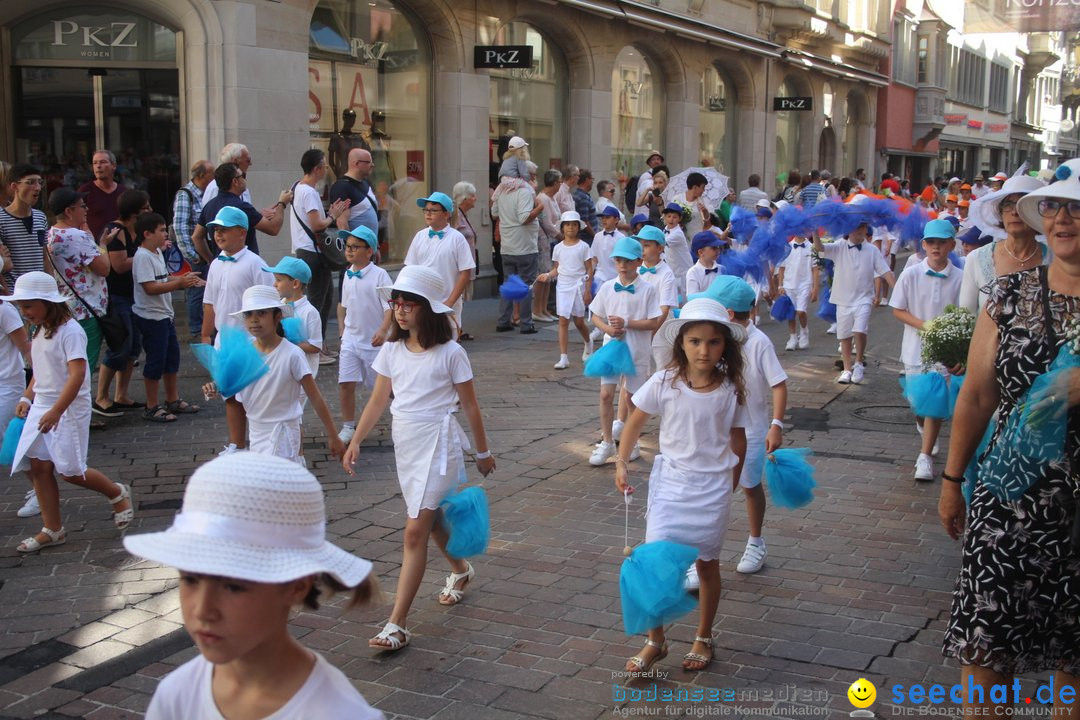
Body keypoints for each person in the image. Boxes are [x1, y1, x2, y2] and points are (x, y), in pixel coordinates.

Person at [938, 158, 1080, 718]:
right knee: (986, 646)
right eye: (1054, 206)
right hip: (1010, 497)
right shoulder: (1009, 294)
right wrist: (952, 481)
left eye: (1076, 208)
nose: (1063, 218)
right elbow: (976, 396)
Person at [126, 452, 385, 720]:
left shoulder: (338, 713)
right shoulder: (177, 695)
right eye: (190, 579)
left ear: (296, 586)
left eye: (234, 586)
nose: (203, 610)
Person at [342, 265, 496, 651]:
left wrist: (482, 452)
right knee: (433, 515)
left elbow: (471, 406)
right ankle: (460, 570)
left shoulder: (451, 352)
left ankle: (397, 623)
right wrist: (356, 439)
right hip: (405, 442)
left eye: (409, 303)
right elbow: (379, 399)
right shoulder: (393, 350)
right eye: (396, 302)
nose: (400, 310)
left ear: (428, 308)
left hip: (438, 444)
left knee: (414, 529)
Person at [615, 297, 748, 672]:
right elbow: (634, 423)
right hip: (671, 485)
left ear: (725, 346)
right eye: (695, 341)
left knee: (707, 565)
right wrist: (622, 462)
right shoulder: (665, 382)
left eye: (713, 342)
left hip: (712, 490)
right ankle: (655, 640)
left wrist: (730, 485)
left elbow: (738, 441)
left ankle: (703, 637)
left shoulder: (730, 389)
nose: (703, 350)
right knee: (654, 562)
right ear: (681, 344)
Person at [8, 272, 133, 553]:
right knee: (39, 466)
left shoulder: (71, 331)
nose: (24, 312)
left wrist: (56, 410)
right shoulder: (39, 329)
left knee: (70, 471)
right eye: (21, 307)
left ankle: (116, 493)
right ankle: (52, 529)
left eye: (28, 306)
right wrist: (27, 398)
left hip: (67, 407)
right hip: (43, 404)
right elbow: (39, 371)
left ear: (48, 303)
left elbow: (77, 376)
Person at [698, 277, 787, 578]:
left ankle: (755, 541)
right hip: (717, 428)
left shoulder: (759, 342)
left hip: (751, 430)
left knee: (749, 485)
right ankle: (702, 556)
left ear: (730, 313)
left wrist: (776, 425)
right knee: (711, 491)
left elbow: (779, 384)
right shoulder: (718, 340)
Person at [203, 286, 345, 464]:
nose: (254, 320)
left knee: (280, 484)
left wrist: (333, 435)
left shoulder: (292, 354)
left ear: (277, 317)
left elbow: (315, 396)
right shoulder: (243, 354)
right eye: (249, 315)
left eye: (261, 313)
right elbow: (228, 384)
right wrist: (214, 387)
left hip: (284, 433)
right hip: (257, 433)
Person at [889, 219, 962, 481]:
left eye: (942, 242)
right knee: (919, 404)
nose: (936, 247)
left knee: (934, 402)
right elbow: (897, 308)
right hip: (914, 350)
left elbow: (965, 314)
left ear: (952, 245)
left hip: (943, 354)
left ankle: (925, 457)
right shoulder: (910, 274)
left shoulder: (961, 278)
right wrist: (924, 325)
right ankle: (924, 428)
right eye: (931, 242)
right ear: (923, 244)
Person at [201, 206, 275, 454]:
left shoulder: (256, 264)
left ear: (242, 232)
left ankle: (260, 442)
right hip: (225, 338)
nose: (218, 235)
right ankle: (237, 443)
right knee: (230, 394)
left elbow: (269, 302)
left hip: (249, 340)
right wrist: (206, 334)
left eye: (224, 230)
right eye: (215, 230)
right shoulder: (215, 265)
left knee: (254, 396)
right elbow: (210, 302)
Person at [587, 236, 661, 466]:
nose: (622, 264)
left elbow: (653, 322)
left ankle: (633, 441)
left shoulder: (648, 289)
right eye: (618, 260)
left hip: (637, 349)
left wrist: (627, 323)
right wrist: (609, 328)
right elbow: (595, 315)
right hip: (611, 349)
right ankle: (607, 442)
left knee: (633, 399)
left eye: (627, 260)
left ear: (638, 261)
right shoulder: (609, 286)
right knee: (606, 394)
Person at [132, 212, 204, 423]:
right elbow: (150, 287)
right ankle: (152, 405)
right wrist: (180, 284)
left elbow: (162, 278)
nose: (166, 233)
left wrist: (184, 278)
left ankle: (173, 399)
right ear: (147, 234)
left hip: (164, 315)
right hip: (151, 318)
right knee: (155, 361)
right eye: (162, 230)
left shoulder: (155, 253)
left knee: (172, 358)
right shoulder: (143, 256)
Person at [812, 221, 894, 384]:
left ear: (865, 229)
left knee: (859, 330)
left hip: (864, 298)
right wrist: (815, 231)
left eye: (862, 228)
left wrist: (899, 291)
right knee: (844, 336)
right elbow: (820, 248)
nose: (858, 231)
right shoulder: (839, 246)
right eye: (854, 227)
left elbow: (885, 271)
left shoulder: (872, 250)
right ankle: (847, 369)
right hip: (842, 299)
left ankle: (858, 364)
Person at [287, 149, 350, 361]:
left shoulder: (297, 187)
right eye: (324, 166)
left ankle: (320, 345)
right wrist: (333, 215)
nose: (326, 169)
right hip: (312, 252)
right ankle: (314, 347)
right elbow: (317, 225)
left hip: (306, 251)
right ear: (317, 169)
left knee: (323, 298)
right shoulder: (309, 192)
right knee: (317, 300)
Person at [94, 190, 151, 417]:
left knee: (133, 346)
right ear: (134, 210)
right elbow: (118, 265)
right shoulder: (114, 230)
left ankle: (121, 395)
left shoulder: (137, 230)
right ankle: (101, 397)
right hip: (117, 297)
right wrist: (145, 253)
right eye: (145, 207)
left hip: (135, 294)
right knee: (120, 345)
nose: (149, 210)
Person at [335, 226, 392, 444]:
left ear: (369, 251)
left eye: (355, 247)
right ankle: (348, 425)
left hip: (373, 342)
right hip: (351, 339)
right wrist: (342, 330)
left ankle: (401, 415)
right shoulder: (347, 274)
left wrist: (383, 330)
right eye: (347, 246)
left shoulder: (380, 275)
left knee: (385, 387)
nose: (349, 251)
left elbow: (390, 307)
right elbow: (343, 305)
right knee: (346, 383)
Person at [959, 175, 1048, 313]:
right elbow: (965, 317)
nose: (1014, 212)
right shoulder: (976, 259)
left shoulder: (1055, 260)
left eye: (1022, 205)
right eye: (1008, 205)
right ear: (1000, 213)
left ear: (1037, 212)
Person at [46, 188, 110, 375]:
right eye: (82, 206)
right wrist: (103, 245)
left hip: (64, 306)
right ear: (69, 211)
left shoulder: (52, 234)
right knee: (83, 367)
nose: (86, 210)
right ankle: (79, 403)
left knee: (65, 365)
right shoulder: (77, 236)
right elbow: (104, 268)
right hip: (87, 308)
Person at [403, 192, 476, 334]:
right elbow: (410, 268)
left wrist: (450, 301)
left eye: (433, 210)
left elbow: (465, 272)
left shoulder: (457, 238)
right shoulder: (420, 236)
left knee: (446, 344)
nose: (428, 214)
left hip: (446, 303)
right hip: (422, 303)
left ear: (446, 214)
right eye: (426, 210)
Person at [194, 162, 288, 257]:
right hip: (245, 265)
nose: (245, 179)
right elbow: (273, 229)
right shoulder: (242, 207)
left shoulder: (209, 206)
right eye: (243, 175)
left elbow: (196, 237)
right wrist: (282, 203)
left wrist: (210, 259)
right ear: (235, 181)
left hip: (221, 264)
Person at [540, 211, 595, 370]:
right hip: (563, 286)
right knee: (563, 320)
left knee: (578, 321)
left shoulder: (584, 246)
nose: (571, 227)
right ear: (562, 228)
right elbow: (557, 268)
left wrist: (588, 290)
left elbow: (589, 270)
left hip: (578, 285)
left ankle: (588, 342)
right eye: (568, 224)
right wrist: (548, 275)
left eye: (574, 224)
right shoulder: (557, 248)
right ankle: (563, 357)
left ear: (579, 227)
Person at [171, 160, 215, 338]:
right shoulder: (186, 194)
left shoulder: (207, 193)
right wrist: (191, 254)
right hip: (196, 253)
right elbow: (180, 226)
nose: (215, 177)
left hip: (207, 249)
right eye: (212, 173)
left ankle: (206, 325)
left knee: (206, 289)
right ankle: (196, 329)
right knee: (196, 290)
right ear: (202, 175)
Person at [264, 256, 323, 380]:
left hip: (302, 375)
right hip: (282, 372)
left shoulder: (310, 312)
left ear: (295, 283)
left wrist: (286, 342)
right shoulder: (277, 307)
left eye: (279, 280)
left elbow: (316, 347)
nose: (274, 284)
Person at [0, 294, 32, 517]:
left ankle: (39, 491)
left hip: (7, 384)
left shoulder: (4, 310)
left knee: (13, 440)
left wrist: (31, 391)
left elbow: (27, 349)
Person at [0, 164, 48, 285]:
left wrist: (52, 291)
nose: (37, 187)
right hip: (15, 296)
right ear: (14, 186)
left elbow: (45, 258)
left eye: (39, 182)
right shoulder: (1, 218)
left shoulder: (40, 217)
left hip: (40, 293)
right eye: (30, 182)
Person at [776, 232, 819, 350]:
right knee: (791, 313)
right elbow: (781, 268)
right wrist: (780, 285)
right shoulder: (787, 247)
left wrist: (815, 288)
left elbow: (815, 269)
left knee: (801, 311)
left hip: (805, 285)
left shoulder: (812, 247)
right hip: (789, 285)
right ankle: (793, 337)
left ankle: (804, 331)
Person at [633, 225, 679, 325]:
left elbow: (664, 309)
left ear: (660, 249)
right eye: (639, 245)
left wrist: (651, 332)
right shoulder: (635, 268)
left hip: (660, 324)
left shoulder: (667, 274)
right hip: (640, 322)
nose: (641, 249)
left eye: (646, 245)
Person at [451, 181, 480, 340]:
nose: (475, 199)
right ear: (465, 198)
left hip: (466, 264)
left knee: (460, 300)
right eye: (473, 196)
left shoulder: (462, 214)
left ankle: (459, 329)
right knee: (457, 299)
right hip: (459, 266)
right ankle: (455, 330)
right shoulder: (456, 214)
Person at [77, 150, 125, 242]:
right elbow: (76, 220)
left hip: (120, 246)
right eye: (95, 163)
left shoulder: (123, 192)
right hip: (94, 246)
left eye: (103, 162)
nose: (98, 166)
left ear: (113, 166)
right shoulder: (85, 191)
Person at [534, 169, 562, 323]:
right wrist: (560, 235)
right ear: (555, 183)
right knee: (543, 275)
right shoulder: (543, 199)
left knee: (549, 275)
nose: (561, 185)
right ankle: (537, 309)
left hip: (552, 240)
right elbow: (546, 222)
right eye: (559, 182)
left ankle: (543, 308)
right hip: (545, 240)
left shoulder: (552, 198)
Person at [329, 147, 378, 235]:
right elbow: (342, 224)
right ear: (357, 163)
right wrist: (351, 246)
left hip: (370, 247)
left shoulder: (365, 183)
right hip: (357, 247)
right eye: (369, 162)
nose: (372, 165)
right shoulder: (342, 187)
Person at [327, 108, 372, 179]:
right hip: (344, 174)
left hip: (359, 175)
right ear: (343, 118)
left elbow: (368, 156)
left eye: (353, 118)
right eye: (349, 117)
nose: (351, 120)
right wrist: (338, 173)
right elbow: (331, 161)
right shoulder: (336, 138)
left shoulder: (359, 138)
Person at [660, 203, 692, 300]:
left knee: (683, 299)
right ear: (664, 217)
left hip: (682, 272)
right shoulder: (665, 230)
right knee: (673, 298)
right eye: (669, 216)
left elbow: (661, 243)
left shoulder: (678, 233)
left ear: (679, 219)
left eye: (674, 217)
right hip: (673, 270)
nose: (671, 219)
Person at [672, 172, 714, 239]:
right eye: (702, 187)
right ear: (695, 187)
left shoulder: (703, 201)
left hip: (698, 237)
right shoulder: (677, 199)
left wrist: (705, 212)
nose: (704, 190)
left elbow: (709, 223)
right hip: (681, 237)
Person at [492, 136, 532, 200]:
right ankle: (536, 204)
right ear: (522, 149)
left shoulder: (507, 158)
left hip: (503, 182)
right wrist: (528, 181)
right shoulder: (519, 157)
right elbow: (524, 173)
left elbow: (501, 172)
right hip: (512, 181)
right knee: (531, 190)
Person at [686, 232, 725, 297]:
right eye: (714, 248)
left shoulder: (722, 269)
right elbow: (692, 298)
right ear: (701, 252)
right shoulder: (693, 272)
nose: (718, 250)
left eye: (718, 247)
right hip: (703, 306)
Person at [631, 150, 665, 217]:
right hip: (645, 212)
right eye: (653, 159)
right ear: (649, 163)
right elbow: (642, 196)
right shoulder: (645, 176)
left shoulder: (663, 175)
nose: (656, 161)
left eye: (658, 159)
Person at [573, 170, 598, 243]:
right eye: (592, 179)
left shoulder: (582, 195)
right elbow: (584, 221)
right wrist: (595, 235)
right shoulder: (582, 197)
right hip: (587, 238)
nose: (593, 182)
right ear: (587, 179)